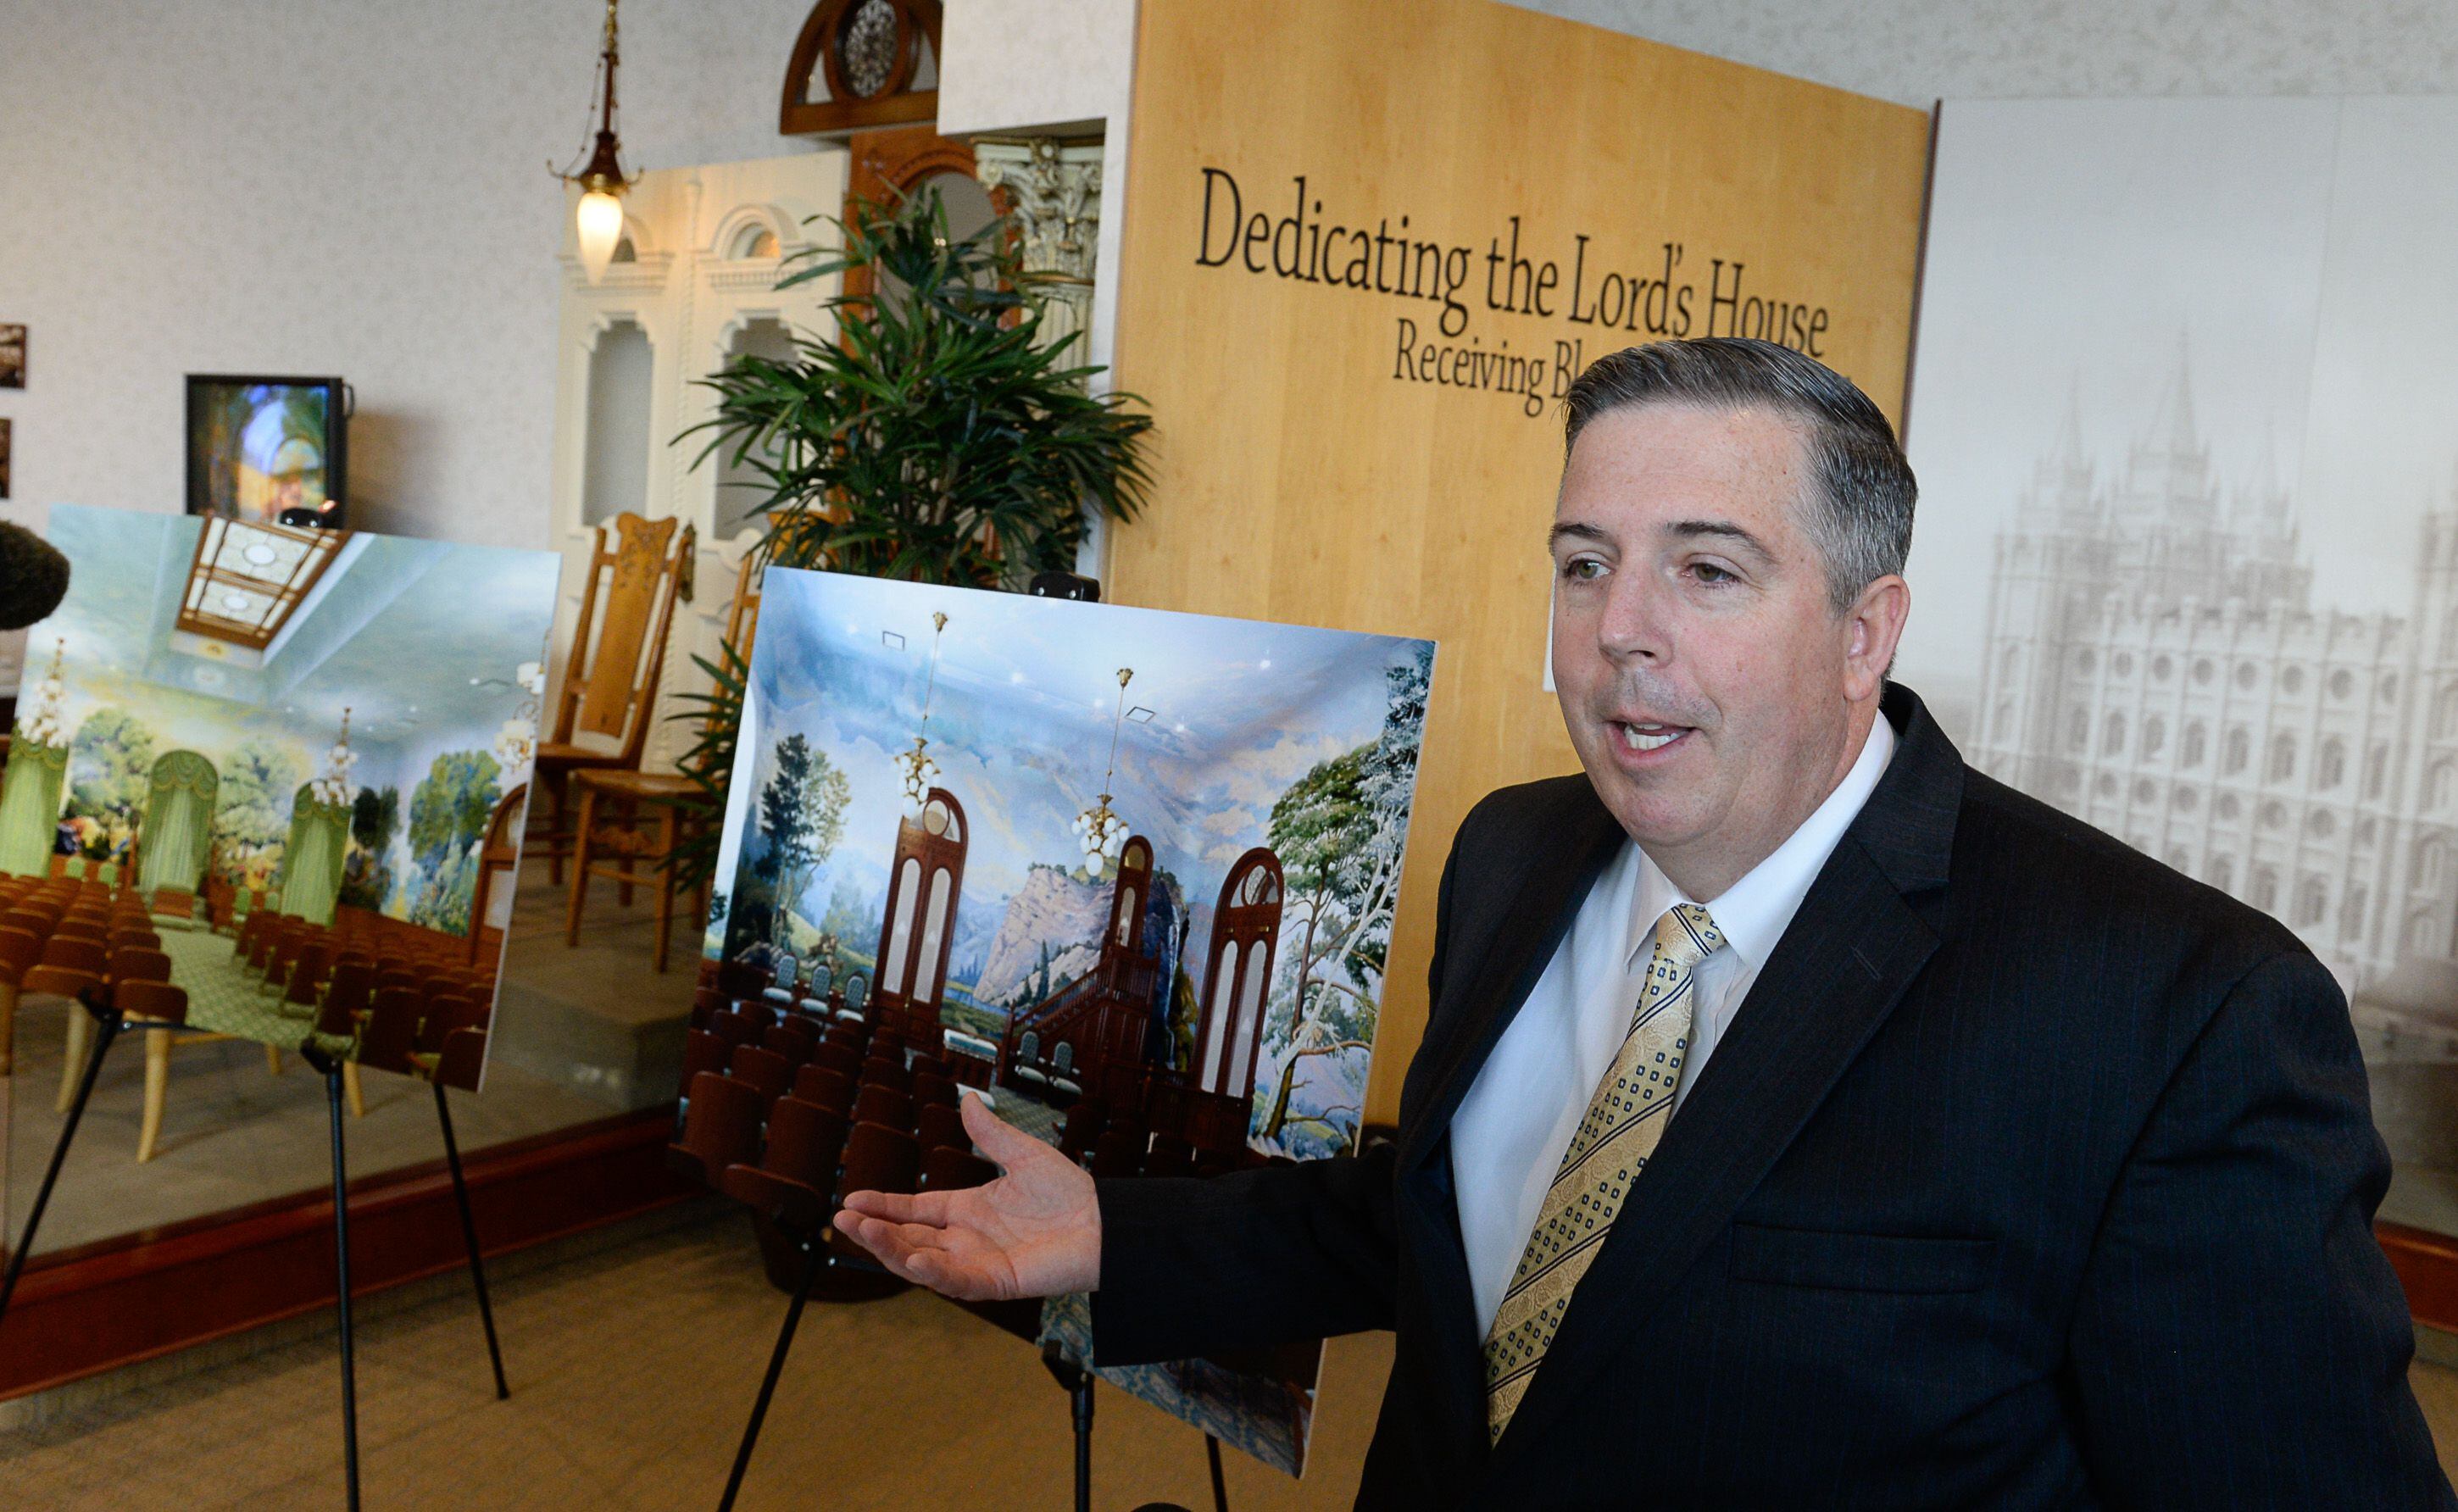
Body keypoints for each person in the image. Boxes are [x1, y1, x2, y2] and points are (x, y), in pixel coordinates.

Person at [837, 338, 2455, 1509]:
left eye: (1709, 571)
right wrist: (1117, 1233)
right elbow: (1454, 1218)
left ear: (1862, 632)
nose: (1619, 633)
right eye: (1585, 562)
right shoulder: (1514, 856)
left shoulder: (2177, 1012)